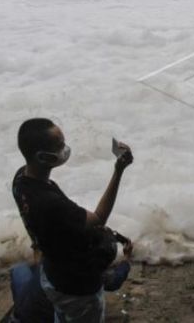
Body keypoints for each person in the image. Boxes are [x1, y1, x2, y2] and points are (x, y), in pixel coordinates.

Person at [12, 118, 133, 322]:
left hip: (51, 273)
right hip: (75, 290)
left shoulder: (20, 181)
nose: (65, 149)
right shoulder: (51, 204)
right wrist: (119, 170)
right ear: (43, 157)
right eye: (59, 146)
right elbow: (98, 217)